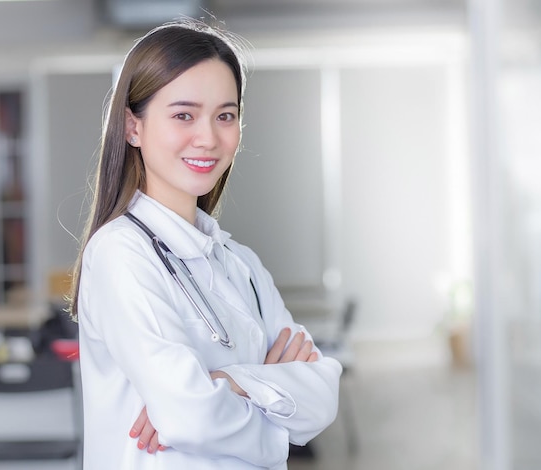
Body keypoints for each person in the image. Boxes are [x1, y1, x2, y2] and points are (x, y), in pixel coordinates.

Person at [68, 19, 342, 470]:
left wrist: (229, 379)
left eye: (225, 115)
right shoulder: (120, 254)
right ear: (132, 127)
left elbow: (322, 396)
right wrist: (274, 412)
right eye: (183, 115)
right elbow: (189, 415)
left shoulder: (242, 265)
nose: (209, 137)